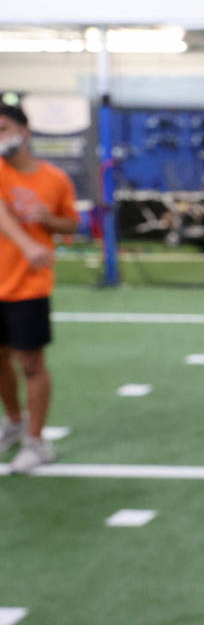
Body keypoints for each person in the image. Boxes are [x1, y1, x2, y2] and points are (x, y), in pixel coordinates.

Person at [0, 103, 78, 473]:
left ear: (23, 131)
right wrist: (27, 243)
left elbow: (70, 225)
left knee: (30, 362)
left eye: (2, 128)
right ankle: (13, 423)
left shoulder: (55, 179)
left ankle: (36, 440)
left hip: (29, 285)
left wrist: (48, 221)